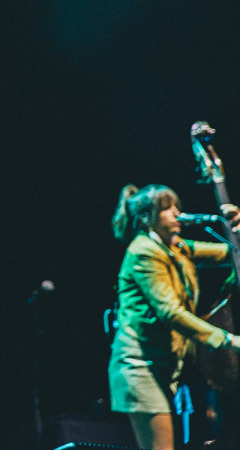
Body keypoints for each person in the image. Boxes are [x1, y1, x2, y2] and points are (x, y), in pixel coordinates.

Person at [108, 183, 240, 450]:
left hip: (163, 367)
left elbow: (229, 252)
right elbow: (171, 312)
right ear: (146, 218)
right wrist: (228, 340)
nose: (177, 213)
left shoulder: (175, 247)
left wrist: (235, 229)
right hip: (140, 367)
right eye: (166, 208)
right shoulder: (144, 251)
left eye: (176, 206)